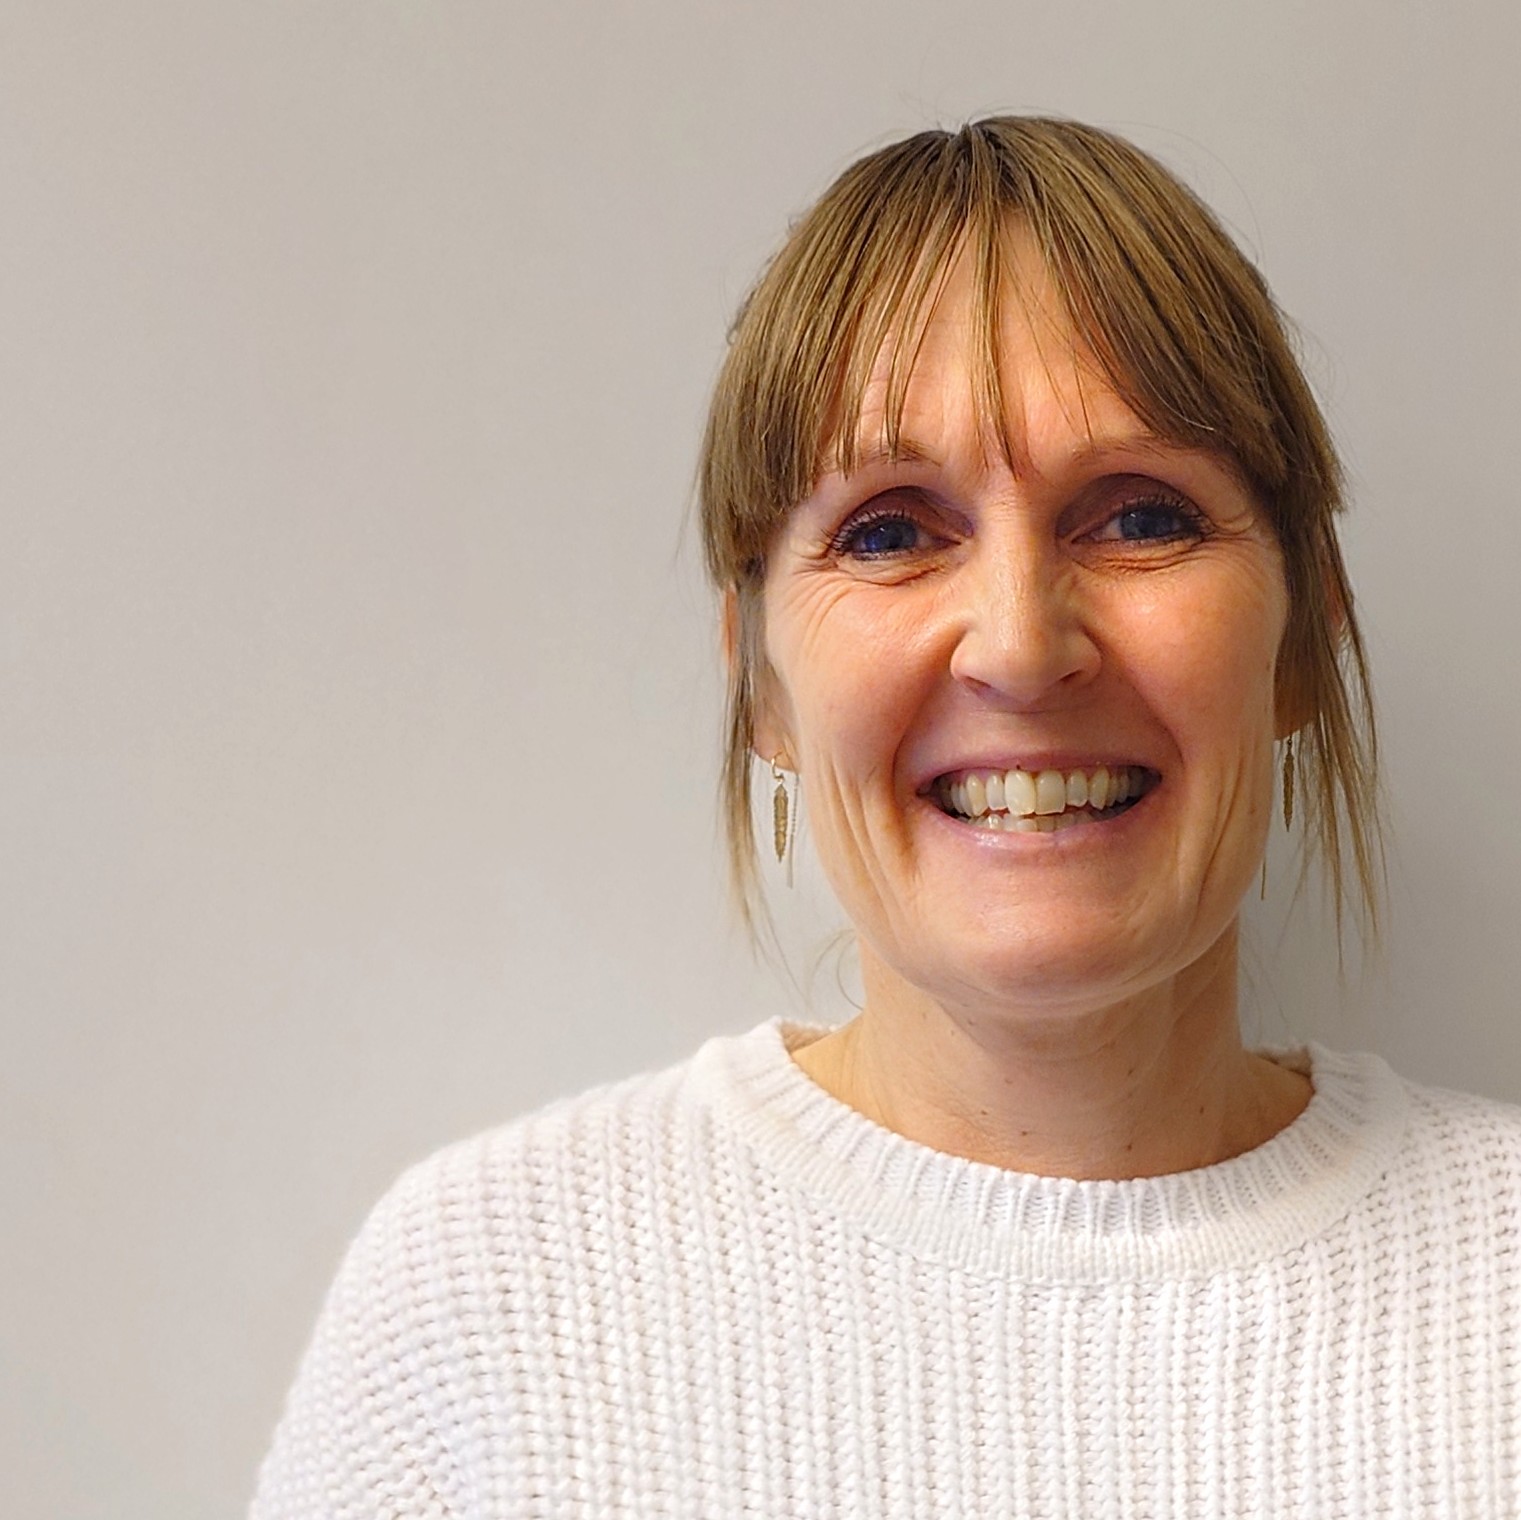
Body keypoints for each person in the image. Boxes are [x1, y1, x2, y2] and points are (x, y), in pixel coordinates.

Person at [252, 118, 1521, 1518]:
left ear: (1300, 640)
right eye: (891, 531)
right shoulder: (483, 1311)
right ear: (760, 681)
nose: (1020, 646)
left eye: (1139, 516)